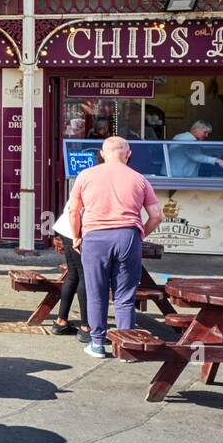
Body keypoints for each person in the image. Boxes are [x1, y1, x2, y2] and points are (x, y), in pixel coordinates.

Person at [68, 136, 163, 359]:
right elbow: (157, 216)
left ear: (101, 153)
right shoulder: (139, 179)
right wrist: (139, 235)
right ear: (128, 154)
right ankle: (126, 347)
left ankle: (98, 344)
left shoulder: (86, 176)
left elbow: (73, 211)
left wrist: (76, 237)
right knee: (125, 295)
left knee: (96, 293)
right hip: (127, 236)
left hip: (94, 237)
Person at [50, 203, 88, 338]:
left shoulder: (83, 181)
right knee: (85, 276)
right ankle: (86, 327)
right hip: (77, 228)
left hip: (67, 227)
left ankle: (61, 322)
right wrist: (77, 236)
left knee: (73, 275)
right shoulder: (97, 183)